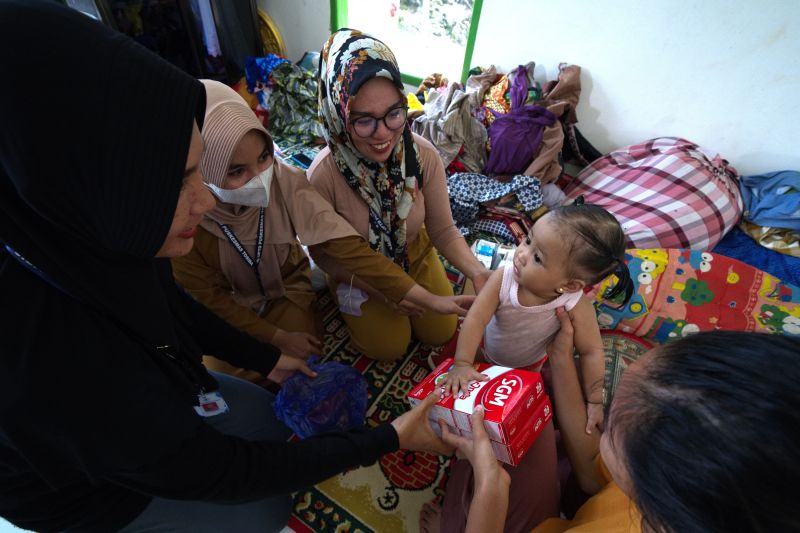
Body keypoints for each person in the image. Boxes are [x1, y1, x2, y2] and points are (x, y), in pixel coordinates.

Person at [0, 4, 450, 532]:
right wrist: (390, 438)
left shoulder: (107, 234)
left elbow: (180, 311)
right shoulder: (49, 360)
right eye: (183, 181)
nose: (203, 202)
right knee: (270, 508)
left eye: (199, 172)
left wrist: (266, 353)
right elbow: (221, 472)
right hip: (96, 495)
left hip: (171, 377)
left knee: (273, 415)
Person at [171, 79, 474, 382]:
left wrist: (430, 296)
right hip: (232, 303)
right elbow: (209, 299)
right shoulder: (183, 218)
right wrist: (274, 335)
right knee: (234, 375)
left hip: (286, 287)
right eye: (237, 171)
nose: (259, 178)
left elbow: (343, 244)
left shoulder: (284, 180)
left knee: (304, 355)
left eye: (264, 158)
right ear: (204, 167)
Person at [431, 319, 800, 532]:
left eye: (609, 433)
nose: (603, 422)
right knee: (526, 404)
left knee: (490, 445)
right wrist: (561, 357)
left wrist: (487, 504)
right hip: (571, 510)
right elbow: (592, 478)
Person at [307, 29, 492, 361]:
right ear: (339, 114)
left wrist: (477, 271)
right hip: (360, 274)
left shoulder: (422, 155)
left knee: (441, 330)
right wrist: (379, 290)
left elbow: (443, 229)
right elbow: (324, 255)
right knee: (388, 348)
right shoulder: (322, 177)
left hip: (413, 253)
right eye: (364, 121)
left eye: (394, 113)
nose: (383, 134)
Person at [441, 203, 634, 433]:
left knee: (509, 412)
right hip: (483, 349)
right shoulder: (504, 278)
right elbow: (475, 319)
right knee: (460, 388)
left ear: (570, 285)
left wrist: (594, 401)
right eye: (528, 240)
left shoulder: (575, 304)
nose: (521, 254)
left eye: (538, 258)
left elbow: (591, 351)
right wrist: (462, 363)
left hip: (528, 368)